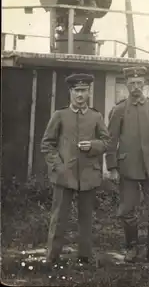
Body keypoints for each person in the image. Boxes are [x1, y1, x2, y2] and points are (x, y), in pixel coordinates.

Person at [41, 73, 110, 265]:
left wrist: (93, 146)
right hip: (65, 175)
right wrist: (58, 166)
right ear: (71, 92)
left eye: (84, 90)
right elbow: (47, 144)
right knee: (59, 218)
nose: (80, 95)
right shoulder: (60, 115)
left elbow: (106, 142)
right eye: (77, 90)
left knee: (86, 218)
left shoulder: (96, 116)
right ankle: (52, 257)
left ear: (89, 92)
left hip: (89, 175)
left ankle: (85, 257)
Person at [106, 66, 149, 263]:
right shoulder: (118, 110)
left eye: (139, 83)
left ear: (145, 84)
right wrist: (113, 167)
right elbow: (111, 140)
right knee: (127, 210)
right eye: (132, 83)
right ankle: (132, 248)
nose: (135, 87)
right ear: (127, 85)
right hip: (128, 167)